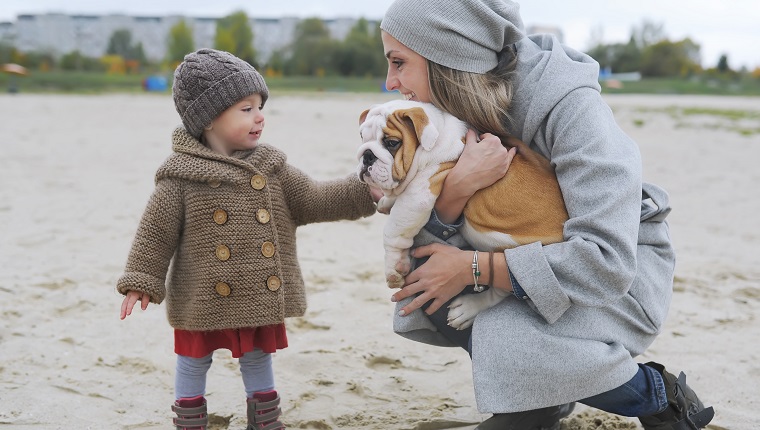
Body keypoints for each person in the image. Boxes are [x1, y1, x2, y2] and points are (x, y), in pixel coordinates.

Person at [378, 1, 716, 429]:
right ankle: (543, 402)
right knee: (422, 278)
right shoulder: (450, 112)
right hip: (532, 259)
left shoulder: (570, 105)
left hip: (618, 278)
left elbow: (606, 261)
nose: (390, 82)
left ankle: (659, 396)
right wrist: (457, 190)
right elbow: (421, 240)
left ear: (448, 54)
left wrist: (475, 267)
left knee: (504, 332)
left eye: (399, 63)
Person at [116, 48, 379, 430]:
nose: (260, 117)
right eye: (246, 109)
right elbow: (155, 233)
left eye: (260, 106)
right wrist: (142, 280)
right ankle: (190, 421)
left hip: (256, 292)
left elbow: (314, 199)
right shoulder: (179, 178)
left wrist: (364, 191)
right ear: (208, 119)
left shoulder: (272, 168)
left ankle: (265, 421)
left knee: (258, 356)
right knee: (193, 359)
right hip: (204, 293)